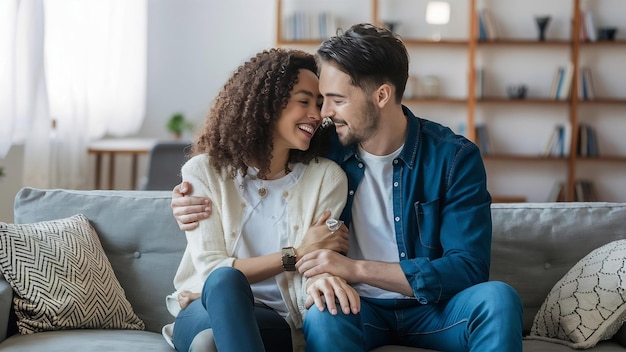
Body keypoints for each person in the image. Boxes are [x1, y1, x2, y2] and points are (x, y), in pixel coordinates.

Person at [171, 23, 524, 351]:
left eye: (336, 100)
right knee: (323, 314)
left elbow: (468, 268)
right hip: (354, 306)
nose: (323, 113)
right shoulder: (322, 149)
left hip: (434, 308)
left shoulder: (453, 158)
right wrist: (182, 200)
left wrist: (355, 269)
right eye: (318, 99)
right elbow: (245, 155)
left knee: (498, 299)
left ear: (382, 95)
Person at [164, 48, 357, 352]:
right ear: (268, 105)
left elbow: (317, 266)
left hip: (275, 318)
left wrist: (321, 276)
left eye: (319, 104)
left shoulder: (327, 178)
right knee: (225, 282)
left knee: (208, 345)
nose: (317, 114)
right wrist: (294, 254)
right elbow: (212, 271)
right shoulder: (203, 172)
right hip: (203, 308)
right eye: (304, 101)